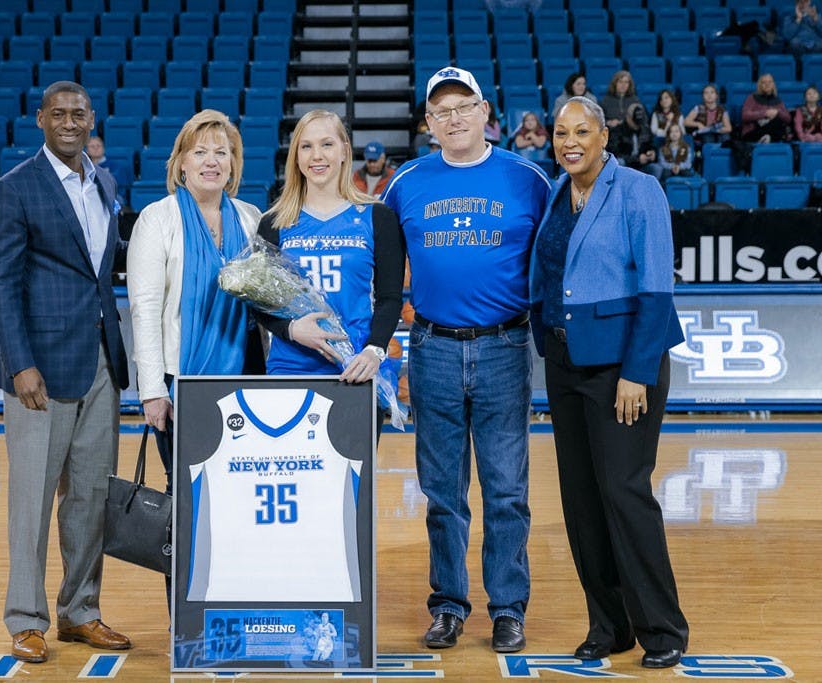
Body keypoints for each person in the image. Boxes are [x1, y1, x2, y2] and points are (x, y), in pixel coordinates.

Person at [381, 66, 550, 653]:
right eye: (441, 111)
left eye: (463, 107)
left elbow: (553, 261)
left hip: (505, 346)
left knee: (506, 489)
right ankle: (449, 604)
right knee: (442, 490)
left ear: (485, 113)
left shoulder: (529, 179)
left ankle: (508, 608)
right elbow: (380, 275)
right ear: (429, 123)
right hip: (432, 348)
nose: (453, 118)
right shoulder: (404, 184)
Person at [530, 96, 689, 670]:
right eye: (560, 132)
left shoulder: (638, 189)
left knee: (624, 493)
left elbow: (655, 288)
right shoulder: (556, 191)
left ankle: (663, 628)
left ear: (604, 136)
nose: (569, 142)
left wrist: (636, 373)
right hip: (565, 363)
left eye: (581, 132)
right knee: (582, 500)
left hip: (623, 368)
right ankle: (610, 625)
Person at [0, 81, 132, 665]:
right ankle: (25, 617)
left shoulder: (104, 182)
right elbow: (2, 283)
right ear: (40, 119)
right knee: (32, 499)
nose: (70, 123)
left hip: (101, 363)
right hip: (39, 369)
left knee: (90, 497)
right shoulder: (12, 189)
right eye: (59, 114)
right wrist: (20, 364)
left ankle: (80, 611)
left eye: (80, 114)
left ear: (92, 119)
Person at [126, 108, 263, 478]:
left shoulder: (252, 218)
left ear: (233, 164)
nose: (212, 162)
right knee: (186, 484)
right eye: (200, 152)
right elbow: (145, 310)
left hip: (244, 374)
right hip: (178, 378)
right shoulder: (157, 219)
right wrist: (152, 389)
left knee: (240, 480)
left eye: (222, 152)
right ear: (181, 163)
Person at [256, 110, 405, 438]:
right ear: (296, 156)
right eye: (306, 147)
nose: (317, 155)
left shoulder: (377, 217)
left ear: (344, 151)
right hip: (291, 370)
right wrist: (293, 329)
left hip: (354, 371)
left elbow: (391, 297)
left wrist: (374, 350)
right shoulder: (274, 223)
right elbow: (259, 304)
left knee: (353, 488)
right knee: (295, 484)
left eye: (326, 144)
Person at [600, 71, 645, 163]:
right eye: (620, 82)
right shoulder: (605, 101)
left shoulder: (635, 100)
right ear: (615, 83)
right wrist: (608, 122)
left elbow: (641, 122)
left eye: (626, 82)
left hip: (629, 138)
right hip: (612, 140)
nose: (623, 85)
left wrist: (624, 123)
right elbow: (598, 120)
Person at [740, 73, 792, 143]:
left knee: (779, 121)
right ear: (760, 85)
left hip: (772, 128)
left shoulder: (777, 100)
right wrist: (765, 113)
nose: (767, 84)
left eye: (769, 82)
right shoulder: (752, 98)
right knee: (778, 125)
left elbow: (788, 119)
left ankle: (768, 138)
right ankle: (768, 138)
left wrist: (777, 112)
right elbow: (745, 116)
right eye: (764, 82)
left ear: (773, 84)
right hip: (753, 131)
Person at [682, 84, 733, 149]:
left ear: (716, 96)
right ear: (703, 96)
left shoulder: (722, 110)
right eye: (706, 93)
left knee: (725, 137)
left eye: (712, 92)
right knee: (708, 137)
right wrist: (698, 124)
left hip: (718, 132)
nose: (709, 95)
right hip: (705, 134)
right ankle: (709, 156)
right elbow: (686, 122)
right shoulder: (698, 108)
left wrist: (715, 130)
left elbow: (729, 128)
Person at [86, 135, 131, 202]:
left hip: (113, 196)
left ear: (103, 149)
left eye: (98, 146)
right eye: (92, 146)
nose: (96, 148)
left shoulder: (116, 166)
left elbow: (118, 186)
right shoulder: (85, 166)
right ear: (87, 151)